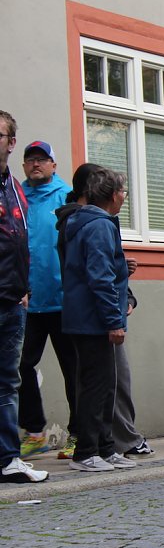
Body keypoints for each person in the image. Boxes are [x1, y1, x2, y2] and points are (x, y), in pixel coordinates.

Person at [57, 163, 153, 459]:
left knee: (106, 386)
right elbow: (98, 277)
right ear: (112, 195)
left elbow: (103, 269)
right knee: (96, 388)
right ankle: (87, 453)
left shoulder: (92, 222)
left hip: (90, 317)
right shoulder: (98, 225)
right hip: (92, 320)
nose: (125, 196)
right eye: (123, 191)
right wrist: (115, 321)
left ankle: (106, 449)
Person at [16, 141, 76, 459]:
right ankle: (35, 432)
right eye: (30, 160)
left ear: (53, 165)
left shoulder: (66, 197)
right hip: (28, 301)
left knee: (73, 370)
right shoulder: (16, 198)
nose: (36, 164)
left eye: (42, 159)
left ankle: (78, 434)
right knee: (21, 366)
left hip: (64, 302)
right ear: (23, 166)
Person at [0, 110, 49, 483]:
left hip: (14, 300)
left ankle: (7, 458)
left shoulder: (15, 188)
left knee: (8, 381)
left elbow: (22, 242)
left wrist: (25, 290)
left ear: (10, 143)